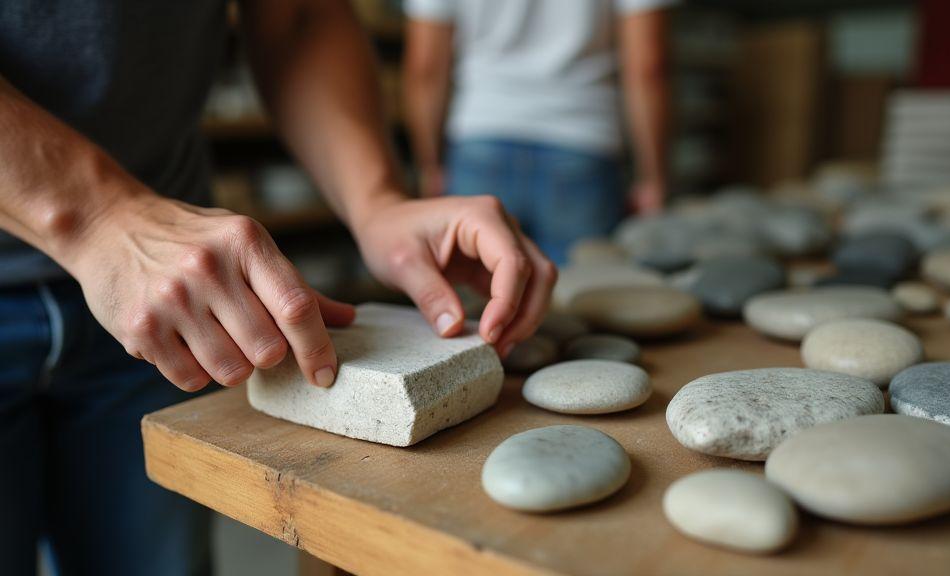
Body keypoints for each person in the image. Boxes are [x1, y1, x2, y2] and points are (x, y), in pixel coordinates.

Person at [0, 1, 555, 575]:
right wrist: (99, 216)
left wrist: (376, 201)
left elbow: (298, 17)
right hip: (124, 253)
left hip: (173, 302)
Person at [403, 0, 676, 264]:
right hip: (583, 142)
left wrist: (429, 166)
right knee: (577, 298)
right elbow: (648, 67)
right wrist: (652, 178)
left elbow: (425, 68)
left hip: (480, 139)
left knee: (471, 304)